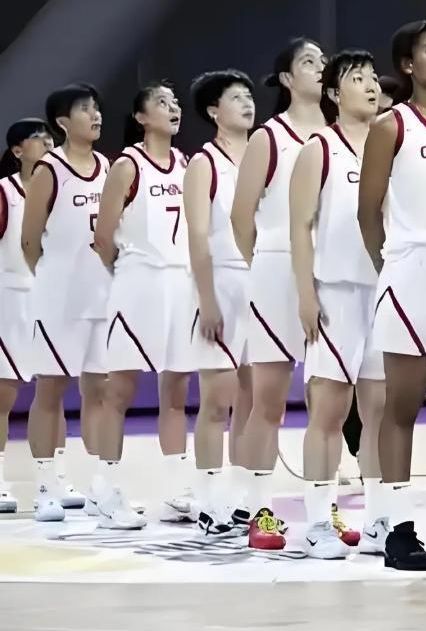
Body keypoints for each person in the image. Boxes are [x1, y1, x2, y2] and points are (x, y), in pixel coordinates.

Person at [357, 20, 426, 571]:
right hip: (412, 265)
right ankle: (398, 527)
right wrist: (392, 267)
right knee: (401, 404)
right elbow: (367, 211)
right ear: (407, 64)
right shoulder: (391, 125)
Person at [230, 37, 329, 550]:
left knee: (328, 402)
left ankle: (321, 511)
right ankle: (256, 510)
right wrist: (267, 264)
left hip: (332, 270)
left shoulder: (341, 132)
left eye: (323, 61)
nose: (320, 68)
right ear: (287, 79)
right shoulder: (270, 138)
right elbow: (240, 217)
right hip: (276, 268)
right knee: (268, 401)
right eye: (309, 62)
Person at [289, 50, 386, 559]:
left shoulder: (392, 144)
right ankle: (316, 523)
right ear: (332, 93)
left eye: (373, 78)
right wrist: (306, 294)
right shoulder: (320, 149)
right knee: (329, 411)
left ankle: (379, 522)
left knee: (380, 413)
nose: (370, 86)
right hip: (338, 294)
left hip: (385, 292)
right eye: (357, 79)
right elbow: (300, 226)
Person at [92, 81, 192, 529]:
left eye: (175, 102)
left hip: (180, 284)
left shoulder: (186, 164)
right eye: (162, 103)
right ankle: (106, 489)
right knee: (120, 390)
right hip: (138, 283)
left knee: (176, 392)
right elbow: (103, 237)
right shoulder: (127, 165)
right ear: (140, 117)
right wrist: (129, 272)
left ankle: (176, 492)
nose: (173, 108)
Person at [23, 83, 110, 522]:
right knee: (51, 390)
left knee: (100, 391)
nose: (95, 115)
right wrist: (54, 279)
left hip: (103, 295)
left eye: (96, 108)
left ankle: (101, 487)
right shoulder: (49, 169)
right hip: (59, 298)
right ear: (62, 121)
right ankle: (46, 486)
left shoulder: (109, 166)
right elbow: (28, 240)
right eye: (84, 109)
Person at [184, 70, 257, 535]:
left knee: (255, 398)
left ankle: (245, 495)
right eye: (236, 98)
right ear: (214, 111)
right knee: (217, 400)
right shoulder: (204, 163)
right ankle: (209, 499)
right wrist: (207, 300)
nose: (248, 103)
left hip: (262, 283)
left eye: (249, 96)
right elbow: (197, 234)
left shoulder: (264, 156)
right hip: (222, 282)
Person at [0, 120, 54, 513]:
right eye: (38, 138)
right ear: (18, 151)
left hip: (53, 300)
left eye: (51, 136)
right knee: (3, 395)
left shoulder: (64, 190)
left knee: (52, 392)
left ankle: (53, 479)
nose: (48, 142)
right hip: (11, 298)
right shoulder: (5, 193)